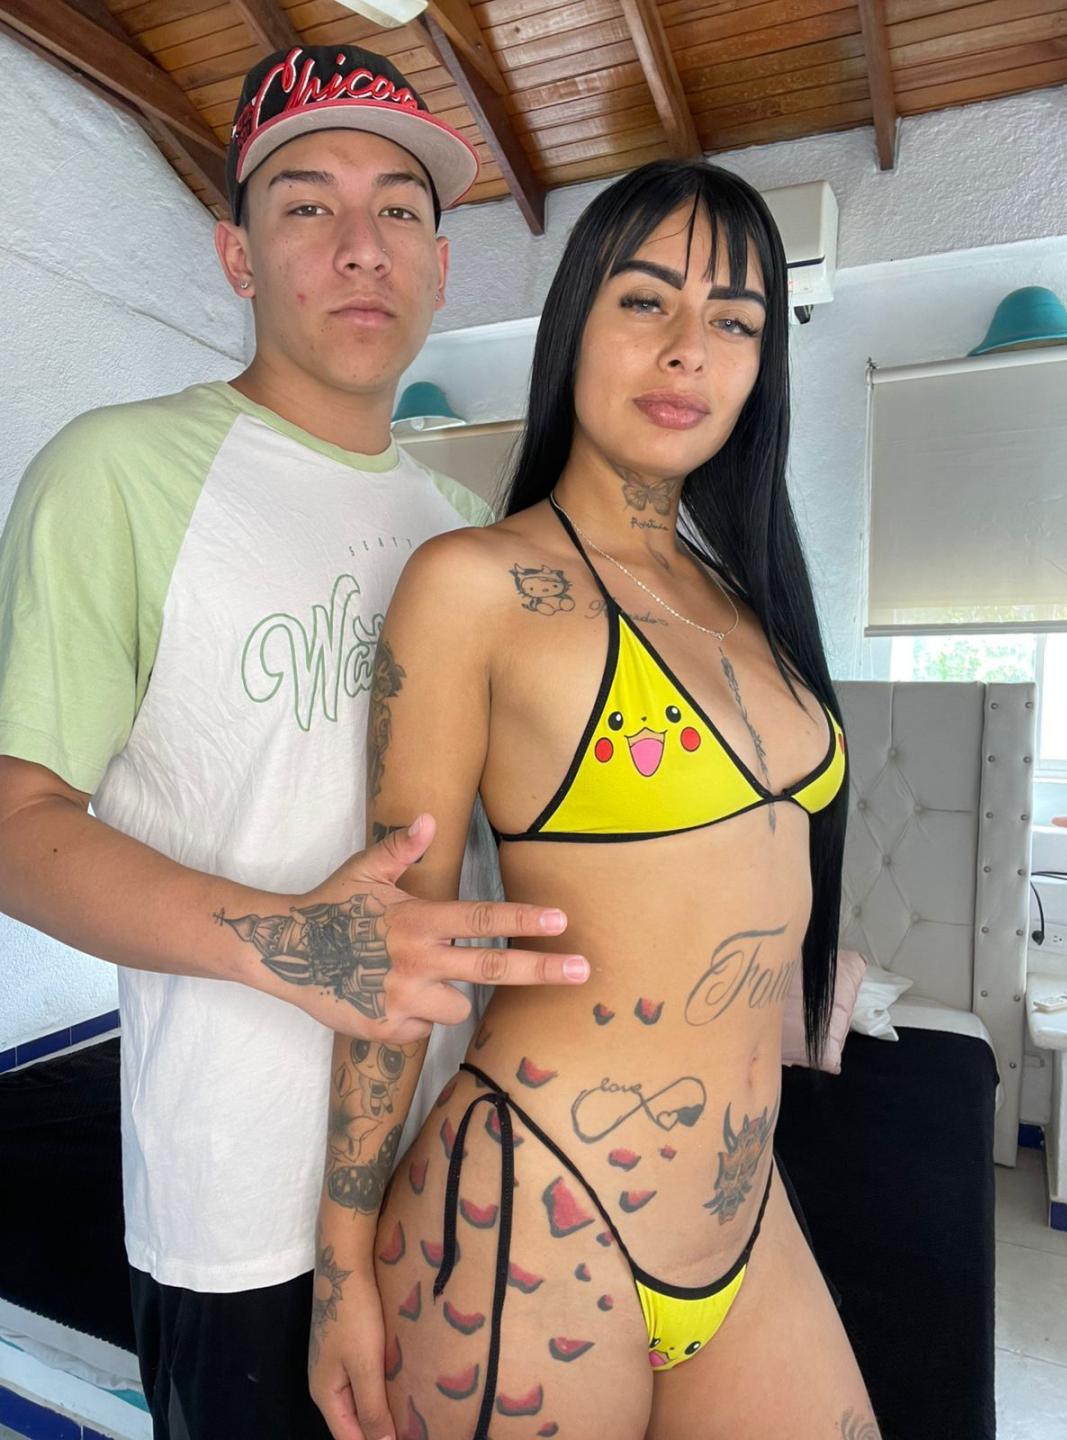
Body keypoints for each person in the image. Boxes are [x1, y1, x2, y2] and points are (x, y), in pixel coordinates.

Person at [0, 45, 588, 1440]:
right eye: (307, 204)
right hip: (236, 1197)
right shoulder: (117, 472)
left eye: (399, 208)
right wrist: (300, 945)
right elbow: (16, 824)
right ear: (237, 256)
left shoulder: (468, 528)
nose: (360, 245)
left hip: (449, 1161)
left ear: (441, 266)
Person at [311, 159, 882, 1440]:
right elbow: (391, 943)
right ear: (574, 321)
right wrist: (340, 1262)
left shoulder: (751, 601)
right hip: (536, 1209)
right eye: (645, 301)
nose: (690, 350)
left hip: (741, 1212)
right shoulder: (475, 585)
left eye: (735, 321)